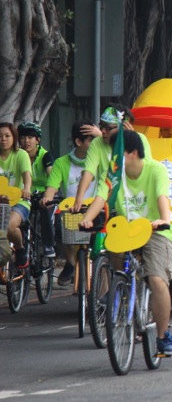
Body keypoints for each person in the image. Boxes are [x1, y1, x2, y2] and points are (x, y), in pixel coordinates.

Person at [79, 130, 172, 356]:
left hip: (155, 230)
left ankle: (163, 336)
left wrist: (163, 219)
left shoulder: (155, 170)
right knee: (113, 257)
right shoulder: (115, 174)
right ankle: (122, 291)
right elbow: (100, 198)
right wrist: (85, 220)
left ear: (133, 153)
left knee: (156, 279)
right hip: (126, 230)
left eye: (117, 153)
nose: (112, 158)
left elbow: (162, 197)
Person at [42, 120, 98, 286]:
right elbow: (52, 187)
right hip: (71, 213)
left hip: (96, 212)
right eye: (92, 140)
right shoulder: (61, 163)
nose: (97, 144)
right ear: (78, 142)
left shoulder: (100, 160)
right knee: (58, 231)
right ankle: (72, 263)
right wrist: (47, 198)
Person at [72, 105, 153, 213]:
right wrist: (79, 200)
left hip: (135, 203)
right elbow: (88, 171)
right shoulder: (97, 143)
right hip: (107, 203)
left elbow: (146, 167)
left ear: (123, 127)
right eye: (101, 126)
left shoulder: (140, 139)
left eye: (108, 128)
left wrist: (132, 141)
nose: (103, 131)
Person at [18, 122, 56, 258]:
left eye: (30, 137)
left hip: (42, 195)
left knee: (44, 207)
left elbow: (53, 178)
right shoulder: (17, 155)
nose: (26, 141)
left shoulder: (45, 156)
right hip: (21, 195)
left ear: (38, 140)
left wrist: (48, 194)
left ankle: (48, 244)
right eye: (23, 137)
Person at [0, 123, 32, 274]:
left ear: (14, 138)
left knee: (10, 225)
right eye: (0, 136)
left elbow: (27, 175)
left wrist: (26, 188)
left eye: (7, 136)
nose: (3, 139)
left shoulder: (21, 154)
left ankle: (20, 250)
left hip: (18, 201)